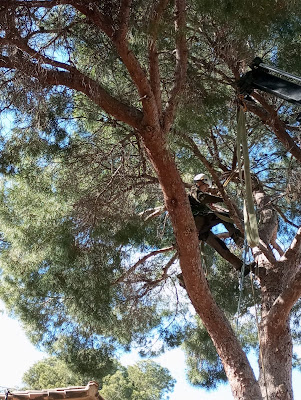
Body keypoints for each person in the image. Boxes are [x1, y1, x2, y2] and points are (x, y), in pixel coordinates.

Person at [189, 173, 246, 272]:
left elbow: (204, 200)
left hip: (201, 230)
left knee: (220, 246)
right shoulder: (194, 190)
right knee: (223, 216)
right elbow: (202, 198)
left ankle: (240, 266)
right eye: (206, 186)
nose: (206, 189)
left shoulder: (197, 196)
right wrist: (222, 199)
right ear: (200, 182)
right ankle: (237, 238)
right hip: (198, 221)